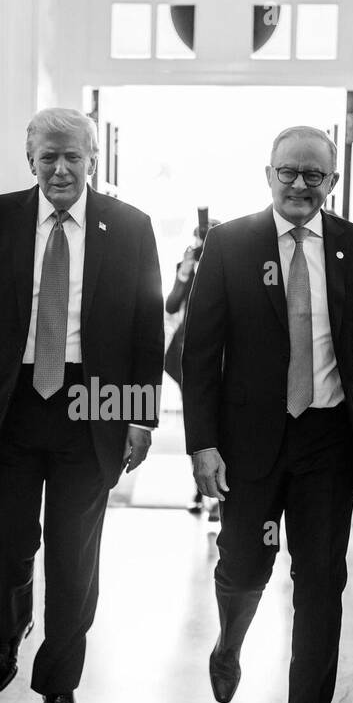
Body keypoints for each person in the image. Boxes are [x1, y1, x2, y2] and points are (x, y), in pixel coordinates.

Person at [181, 125, 353, 703]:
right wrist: (202, 443)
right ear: (267, 174)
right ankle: (228, 642)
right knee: (244, 563)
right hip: (249, 443)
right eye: (289, 172)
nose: (300, 184)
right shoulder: (231, 243)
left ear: (332, 182)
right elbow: (199, 352)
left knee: (321, 583)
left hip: (327, 443)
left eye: (315, 175)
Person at [0, 107, 163, 703]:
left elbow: (148, 330)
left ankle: (59, 688)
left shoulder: (131, 227)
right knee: (5, 543)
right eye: (48, 157)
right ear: (29, 158)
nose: (60, 168)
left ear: (93, 159)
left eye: (73, 156)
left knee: (74, 557)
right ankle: (12, 625)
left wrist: (139, 415)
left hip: (92, 407)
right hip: (9, 409)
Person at [163, 211, 220, 516]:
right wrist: (186, 272)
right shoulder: (187, 267)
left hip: (222, 355)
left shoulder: (230, 265)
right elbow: (172, 304)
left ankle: (218, 491)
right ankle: (199, 490)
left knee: (220, 424)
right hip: (187, 352)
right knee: (195, 422)